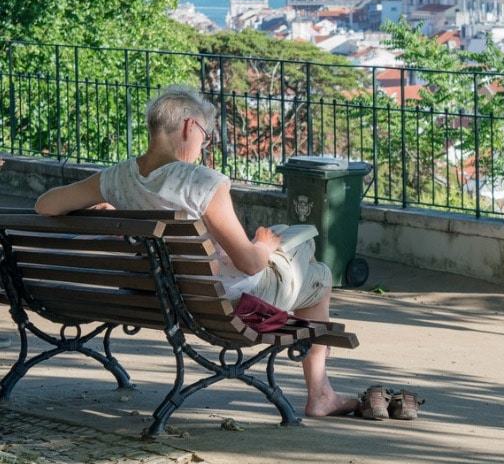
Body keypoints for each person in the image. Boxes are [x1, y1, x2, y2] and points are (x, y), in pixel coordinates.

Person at [34, 85, 359, 417]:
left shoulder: (116, 178)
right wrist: (264, 245)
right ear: (190, 126)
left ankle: (322, 390)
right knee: (316, 270)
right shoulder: (203, 181)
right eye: (205, 136)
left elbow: (45, 205)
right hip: (228, 302)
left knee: (290, 243)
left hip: (157, 298)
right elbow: (248, 263)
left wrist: (103, 208)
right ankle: (320, 394)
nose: (203, 146)